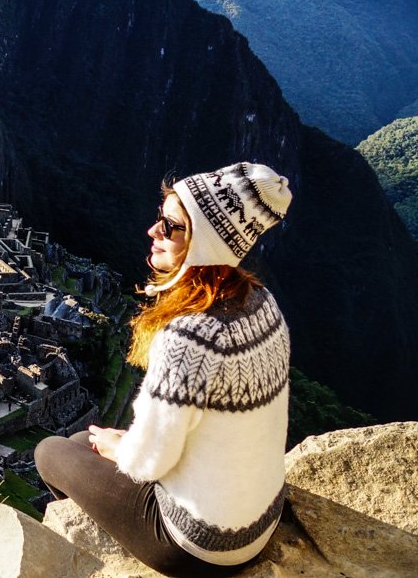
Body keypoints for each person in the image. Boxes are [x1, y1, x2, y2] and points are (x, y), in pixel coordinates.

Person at [34, 162, 292, 576]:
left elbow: (148, 463)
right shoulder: (263, 304)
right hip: (262, 518)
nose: (153, 232)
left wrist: (126, 448)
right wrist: (127, 445)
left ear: (205, 243)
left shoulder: (190, 337)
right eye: (161, 219)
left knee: (51, 452)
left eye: (170, 227)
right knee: (87, 439)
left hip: (201, 545)